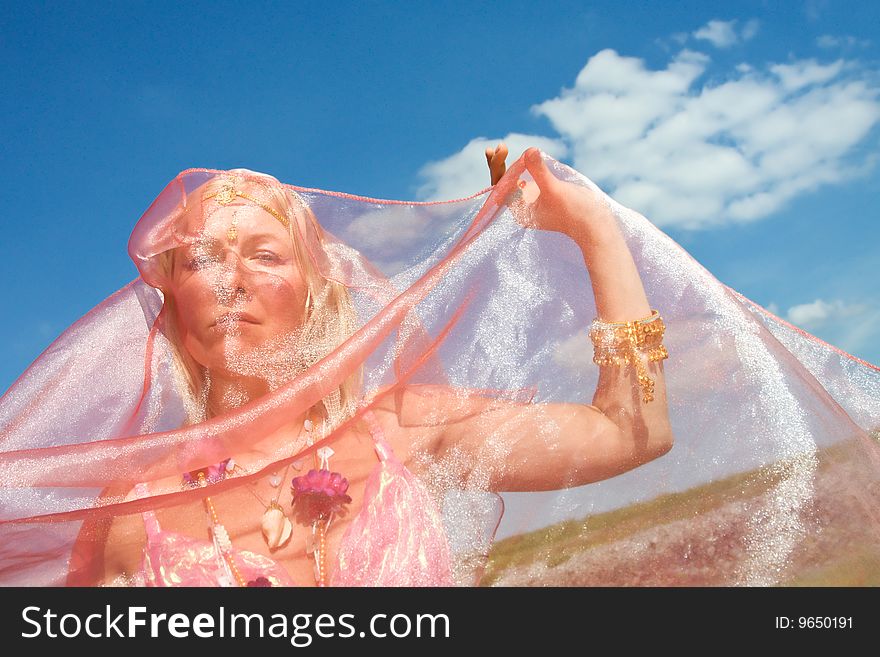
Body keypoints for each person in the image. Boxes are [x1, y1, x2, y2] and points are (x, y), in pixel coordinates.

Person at [1, 146, 878, 587]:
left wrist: (594, 229)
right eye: (197, 260)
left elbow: (633, 430)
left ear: (316, 288)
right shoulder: (131, 511)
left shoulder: (403, 428)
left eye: (262, 254)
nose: (228, 280)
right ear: (171, 301)